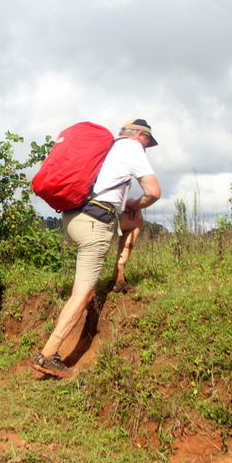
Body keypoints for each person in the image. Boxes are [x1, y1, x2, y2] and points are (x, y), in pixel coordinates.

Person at [32, 118, 161, 378]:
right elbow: (154, 192)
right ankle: (48, 355)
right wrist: (137, 201)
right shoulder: (132, 148)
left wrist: (130, 208)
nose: (147, 147)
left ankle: (118, 277)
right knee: (84, 294)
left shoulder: (107, 147)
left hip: (73, 217)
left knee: (135, 221)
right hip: (95, 224)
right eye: (148, 141)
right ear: (139, 135)